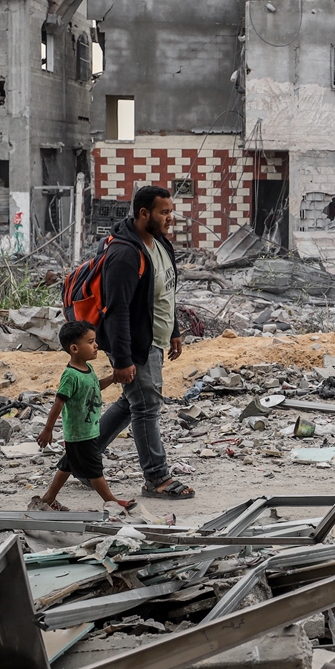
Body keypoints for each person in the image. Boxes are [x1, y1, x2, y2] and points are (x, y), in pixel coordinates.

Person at [97, 185, 195, 500]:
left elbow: (164, 294)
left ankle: (81, 457)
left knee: (134, 401)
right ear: (144, 214)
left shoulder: (161, 245)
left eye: (171, 211)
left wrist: (175, 331)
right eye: (164, 212)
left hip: (154, 338)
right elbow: (116, 312)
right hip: (134, 343)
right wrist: (123, 360)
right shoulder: (125, 254)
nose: (171, 218)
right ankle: (157, 478)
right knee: (147, 405)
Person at [31, 320, 135, 511]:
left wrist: (112, 378)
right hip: (79, 433)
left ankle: (48, 499)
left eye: (95, 341)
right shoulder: (71, 375)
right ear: (74, 348)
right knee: (94, 469)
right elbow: (58, 403)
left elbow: (95, 387)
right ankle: (111, 501)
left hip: (88, 429)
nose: (96, 346)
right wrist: (48, 430)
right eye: (90, 342)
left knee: (67, 465)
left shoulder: (88, 369)